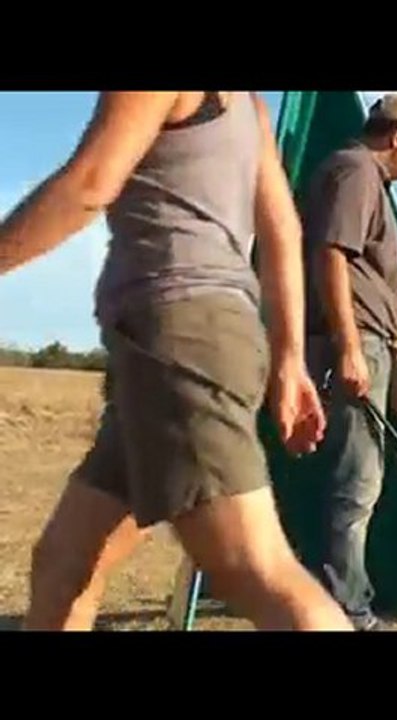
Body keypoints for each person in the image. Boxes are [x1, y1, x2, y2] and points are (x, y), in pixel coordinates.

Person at [0, 91, 353, 631]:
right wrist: (288, 359)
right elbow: (282, 227)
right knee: (65, 566)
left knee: (255, 569)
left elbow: (91, 185)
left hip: (178, 340)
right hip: (186, 344)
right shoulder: (248, 106)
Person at [301, 93, 397, 630]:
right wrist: (347, 348)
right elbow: (331, 255)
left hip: (367, 341)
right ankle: (349, 611)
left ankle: (343, 601)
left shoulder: (361, 176)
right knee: (355, 482)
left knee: (359, 479)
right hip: (356, 342)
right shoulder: (356, 172)